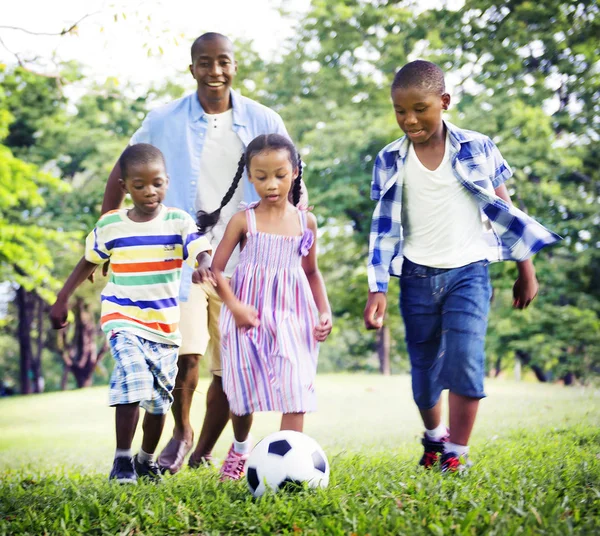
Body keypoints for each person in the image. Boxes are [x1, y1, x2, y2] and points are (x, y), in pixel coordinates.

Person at [99, 33, 304, 474]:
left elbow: (293, 183)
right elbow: (123, 168)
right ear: (191, 67)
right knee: (183, 354)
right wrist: (110, 230)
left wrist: (294, 243)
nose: (215, 71)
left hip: (245, 260)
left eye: (223, 62)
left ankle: (204, 449)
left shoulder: (264, 118)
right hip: (186, 258)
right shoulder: (163, 119)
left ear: (235, 65)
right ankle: (181, 431)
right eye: (205, 62)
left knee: (230, 367)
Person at [363, 60, 560, 472]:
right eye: (400, 111)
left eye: (420, 108)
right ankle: (434, 439)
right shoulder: (388, 159)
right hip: (416, 276)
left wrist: (527, 269)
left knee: (465, 360)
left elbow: (505, 211)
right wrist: (376, 287)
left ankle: (456, 456)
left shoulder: (477, 147)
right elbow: (382, 230)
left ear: (444, 102)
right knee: (424, 374)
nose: (409, 119)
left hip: (469, 272)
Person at [50, 144, 212, 484]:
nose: (149, 191)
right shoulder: (112, 225)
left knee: (158, 403)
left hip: (165, 328)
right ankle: (122, 461)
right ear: (125, 186)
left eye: (156, 183)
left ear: (166, 181)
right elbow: (89, 260)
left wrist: (204, 266)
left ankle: (145, 460)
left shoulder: (177, 221)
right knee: (133, 380)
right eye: (139, 185)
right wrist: (62, 298)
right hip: (123, 319)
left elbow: (200, 247)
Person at [197, 133, 332, 481]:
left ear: (296, 171)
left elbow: (312, 271)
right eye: (261, 177)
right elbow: (217, 270)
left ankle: (295, 463)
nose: (271, 184)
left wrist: (324, 311)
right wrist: (235, 307)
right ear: (249, 177)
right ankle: (241, 447)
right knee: (242, 392)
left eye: (280, 175)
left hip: (293, 314)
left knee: (295, 387)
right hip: (247, 316)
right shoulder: (244, 221)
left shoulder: (306, 222)